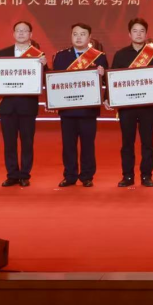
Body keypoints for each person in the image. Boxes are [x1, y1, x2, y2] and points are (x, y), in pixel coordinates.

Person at [110, 17, 153, 188]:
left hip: (148, 105)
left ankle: (146, 175)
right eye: (135, 31)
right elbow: (112, 78)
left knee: (147, 142)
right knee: (127, 142)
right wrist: (108, 97)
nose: (138, 34)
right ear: (129, 34)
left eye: (142, 31)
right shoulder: (120, 55)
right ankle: (127, 176)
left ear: (146, 34)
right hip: (127, 106)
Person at [51, 23, 107, 188]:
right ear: (71, 36)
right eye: (75, 34)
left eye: (83, 34)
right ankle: (69, 176)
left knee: (88, 145)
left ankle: (87, 176)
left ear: (89, 38)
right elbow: (55, 80)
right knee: (68, 145)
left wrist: (103, 75)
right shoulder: (61, 56)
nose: (78, 37)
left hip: (88, 109)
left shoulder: (99, 57)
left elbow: (107, 81)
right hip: (67, 109)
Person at [0, 20, 46, 187]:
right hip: (7, 105)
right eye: (18, 30)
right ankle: (12, 174)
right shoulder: (3, 53)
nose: (21, 33)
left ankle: (24, 175)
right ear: (13, 34)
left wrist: (44, 66)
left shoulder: (37, 54)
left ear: (31, 34)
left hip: (27, 105)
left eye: (25, 30)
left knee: (27, 142)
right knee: (9, 142)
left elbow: (45, 79)